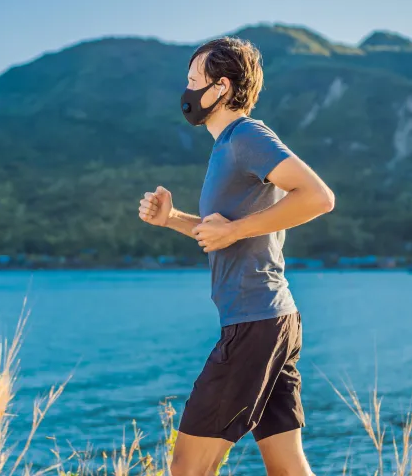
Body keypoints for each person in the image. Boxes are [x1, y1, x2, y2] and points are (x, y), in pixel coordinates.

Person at [138, 37, 335, 476]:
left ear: (221, 87)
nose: (187, 91)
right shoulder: (227, 146)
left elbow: (319, 197)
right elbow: (224, 233)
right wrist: (172, 219)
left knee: (187, 468)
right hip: (273, 320)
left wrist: (234, 229)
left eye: (194, 81)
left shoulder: (247, 136)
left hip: (255, 323)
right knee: (287, 467)